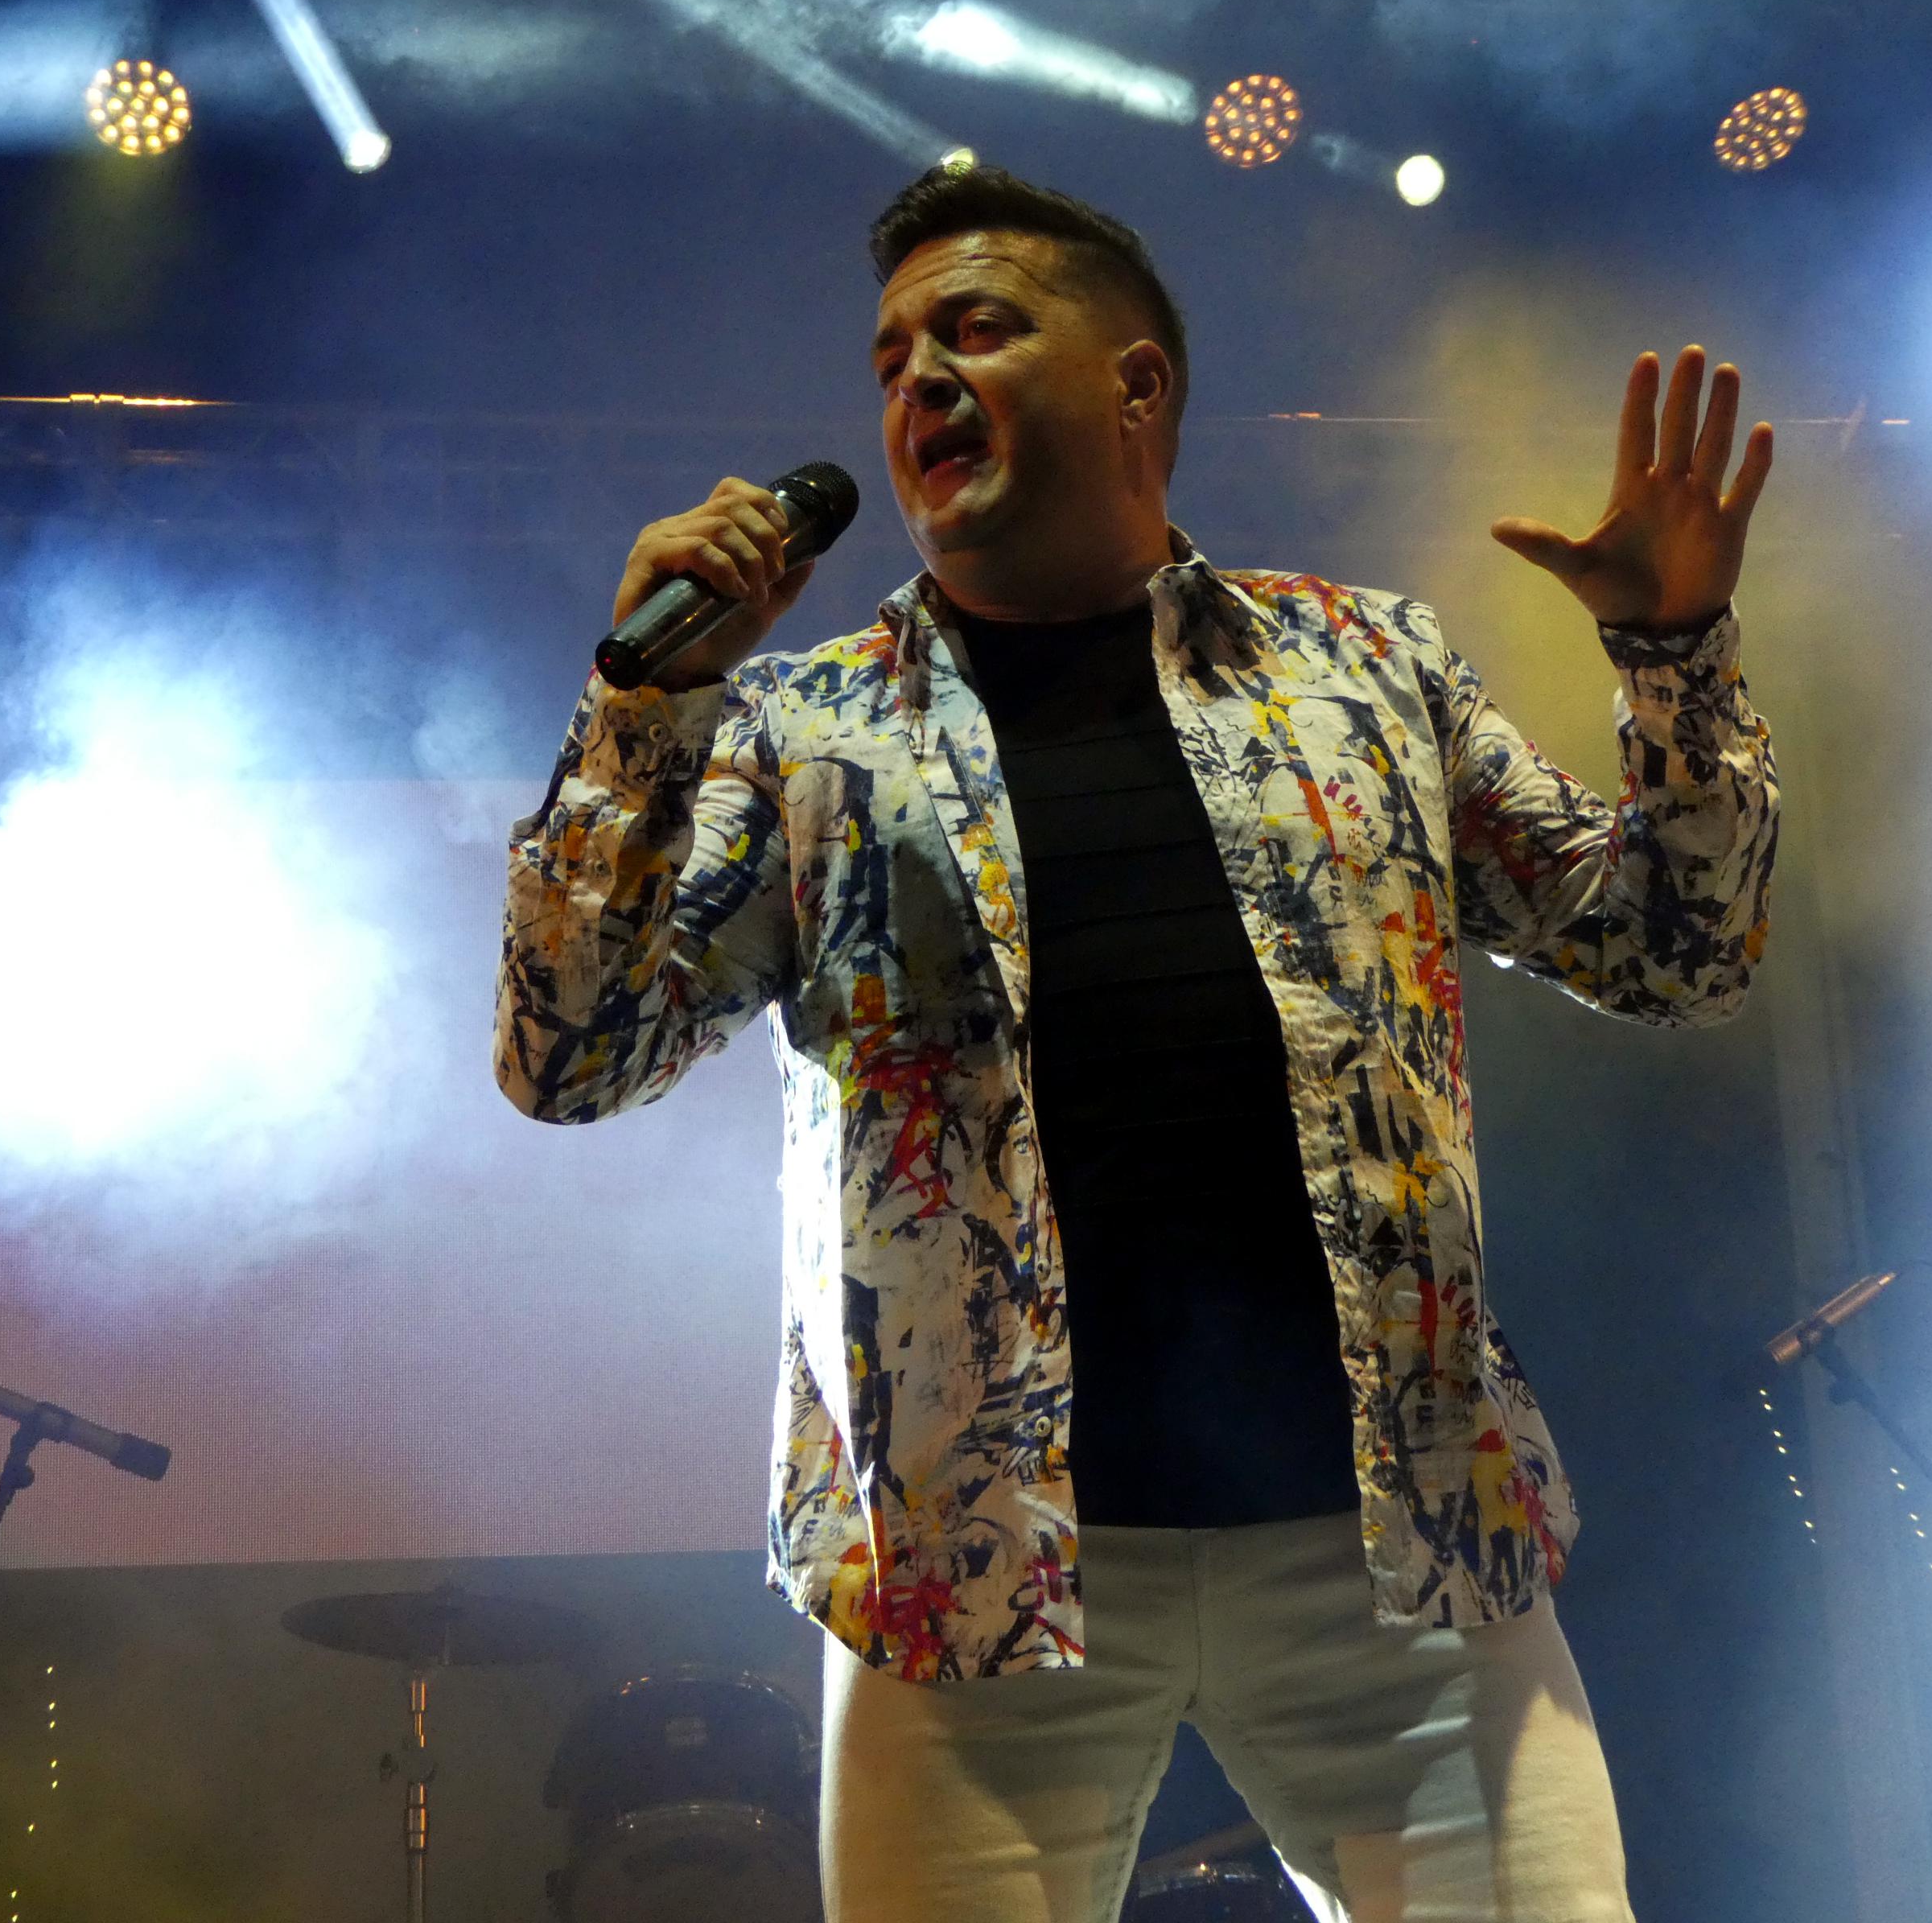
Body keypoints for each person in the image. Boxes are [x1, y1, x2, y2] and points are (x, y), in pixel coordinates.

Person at [496, 165, 1779, 1922]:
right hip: (978, 1572)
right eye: (890, 357)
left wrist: (1672, 651)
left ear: (1137, 384)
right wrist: (643, 708)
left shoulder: (1364, 669)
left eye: (976, 328)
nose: (918, 378)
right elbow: (568, 1057)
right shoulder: (806, 733)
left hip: (1392, 1549)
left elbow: (1677, 956)